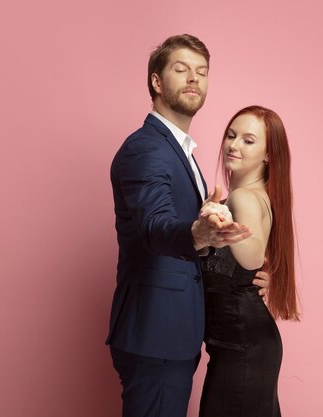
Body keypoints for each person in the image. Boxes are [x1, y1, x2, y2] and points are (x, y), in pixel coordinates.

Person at [106, 35, 268, 417]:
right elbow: (154, 226)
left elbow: (191, 237)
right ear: (156, 82)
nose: (194, 79)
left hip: (173, 333)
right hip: (156, 334)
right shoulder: (146, 148)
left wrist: (248, 278)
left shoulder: (179, 150)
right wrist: (197, 233)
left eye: (202, 72)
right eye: (181, 70)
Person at [198, 106, 300, 417]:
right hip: (241, 344)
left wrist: (225, 226)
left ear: (269, 155)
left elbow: (253, 254)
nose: (234, 145)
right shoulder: (248, 195)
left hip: (242, 345)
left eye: (248, 140)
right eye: (231, 136)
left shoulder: (242, 199)